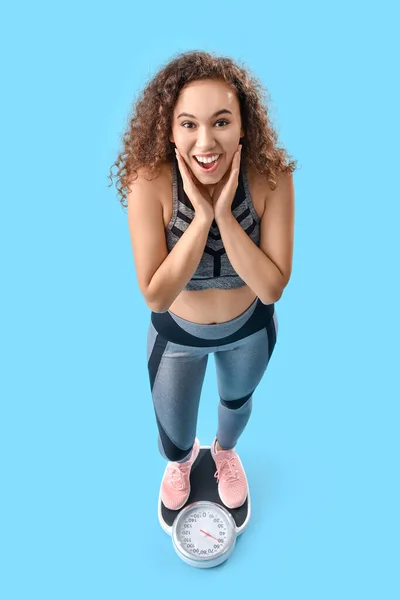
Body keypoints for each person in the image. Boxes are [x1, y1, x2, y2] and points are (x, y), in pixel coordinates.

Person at [109, 50, 297, 511]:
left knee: (235, 409)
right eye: (189, 124)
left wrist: (225, 216)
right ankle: (182, 461)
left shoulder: (273, 179)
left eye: (221, 122)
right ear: (169, 131)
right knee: (173, 437)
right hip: (177, 338)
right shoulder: (148, 181)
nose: (205, 141)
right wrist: (199, 218)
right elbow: (156, 293)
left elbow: (272, 288)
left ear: (243, 127)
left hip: (249, 331)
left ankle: (225, 454)